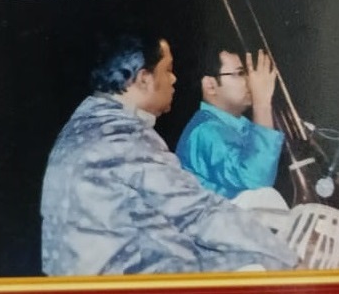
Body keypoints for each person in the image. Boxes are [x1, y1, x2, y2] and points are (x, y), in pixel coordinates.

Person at [39, 33, 299, 276]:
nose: (174, 79)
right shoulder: (121, 137)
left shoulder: (88, 124)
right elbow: (197, 213)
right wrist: (289, 259)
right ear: (144, 78)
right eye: (167, 70)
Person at [175, 46, 284, 201]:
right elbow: (256, 181)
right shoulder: (206, 130)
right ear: (210, 86)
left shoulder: (235, 125)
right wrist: (262, 104)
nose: (250, 81)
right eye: (239, 73)